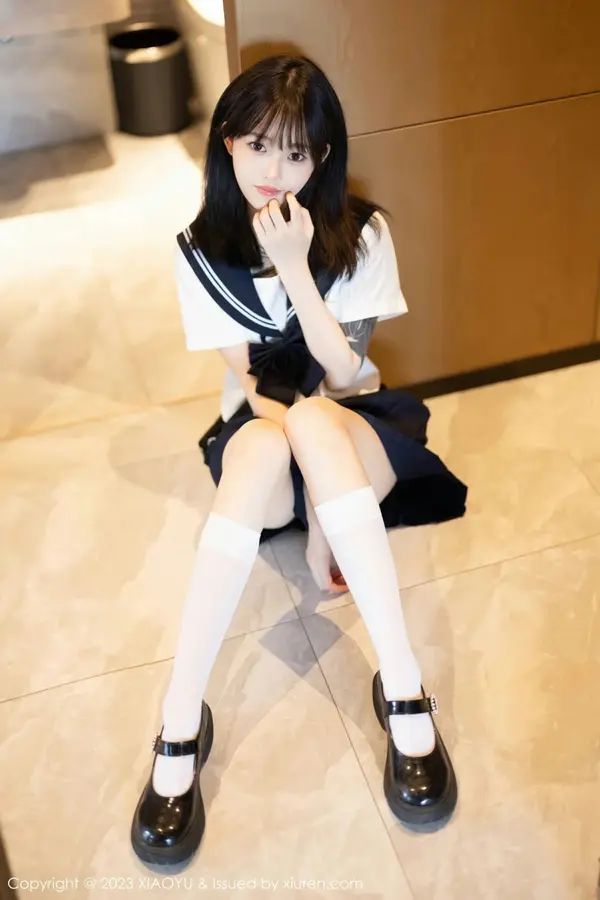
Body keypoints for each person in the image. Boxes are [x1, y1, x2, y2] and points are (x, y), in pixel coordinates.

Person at [130, 55, 467, 867]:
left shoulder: (363, 234)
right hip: (270, 436)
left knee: (320, 416)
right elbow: (252, 383)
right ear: (226, 142)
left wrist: (293, 268)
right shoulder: (199, 251)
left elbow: (346, 377)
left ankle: (403, 689)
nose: (274, 172)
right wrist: (316, 500)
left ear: (322, 157)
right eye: (258, 146)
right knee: (265, 439)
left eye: (295, 153)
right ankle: (182, 719)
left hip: (356, 430)